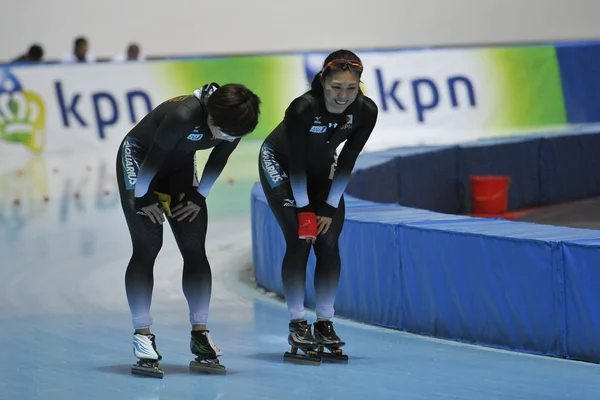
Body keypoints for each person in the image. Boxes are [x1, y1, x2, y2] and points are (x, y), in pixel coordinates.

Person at [116, 82, 261, 373]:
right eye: (225, 133)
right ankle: (142, 335)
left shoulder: (235, 120)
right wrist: (144, 198)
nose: (230, 139)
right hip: (141, 161)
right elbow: (153, 159)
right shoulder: (184, 115)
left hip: (179, 169)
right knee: (148, 246)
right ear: (211, 117)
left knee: (194, 249)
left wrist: (198, 195)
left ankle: (200, 334)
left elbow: (219, 158)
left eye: (236, 136)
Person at [258, 49, 378, 360]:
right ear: (323, 81)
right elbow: (296, 163)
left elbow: (348, 158)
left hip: (322, 167)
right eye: (336, 87)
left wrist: (328, 206)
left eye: (351, 88)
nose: (343, 96)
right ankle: (298, 322)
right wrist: (305, 210)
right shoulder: (302, 108)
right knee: (301, 238)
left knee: (329, 241)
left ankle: (325, 322)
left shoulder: (366, 111)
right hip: (283, 165)